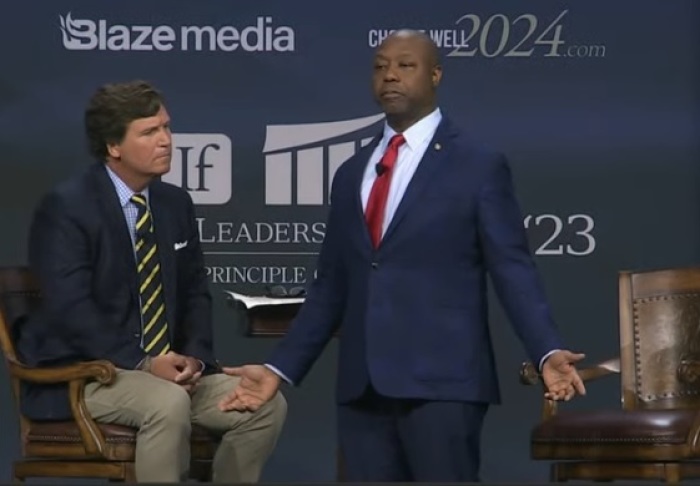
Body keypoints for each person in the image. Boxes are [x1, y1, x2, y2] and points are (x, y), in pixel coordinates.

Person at [218, 29, 586, 482]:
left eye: (405, 65)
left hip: (443, 385)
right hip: (363, 388)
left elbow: (512, 267)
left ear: (435, 75)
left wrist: (546, 350)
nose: (389, 74)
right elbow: (330, 286)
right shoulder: (352, 172)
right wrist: (280, 369)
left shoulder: (477, 165)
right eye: (379, 65)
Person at [18, 80, 287, 483]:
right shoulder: (67, 208)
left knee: (264, 405)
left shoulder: (174, 203)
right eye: (149, 132)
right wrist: (144, 363)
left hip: (170, 376)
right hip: (89, 376)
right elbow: (70, 311)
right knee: (166, 402)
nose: (166, 141)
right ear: (114, 146)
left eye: (166, 127)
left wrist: (195, 360)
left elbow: (196, 293)